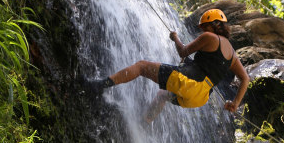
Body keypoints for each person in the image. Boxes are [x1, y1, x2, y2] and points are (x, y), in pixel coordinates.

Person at [95, 9, 250, 121]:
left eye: (204, 27)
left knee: (142, 66)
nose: (202, 30)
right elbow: (245, 79)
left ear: (214, 25)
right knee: (163, 95)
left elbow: (183, 51)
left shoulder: (210, 37)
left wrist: (175, 37)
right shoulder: (233, 54)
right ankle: (146, 123)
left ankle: (101, 84)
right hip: (200, 97)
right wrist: (235, 103)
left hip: (190, 82)